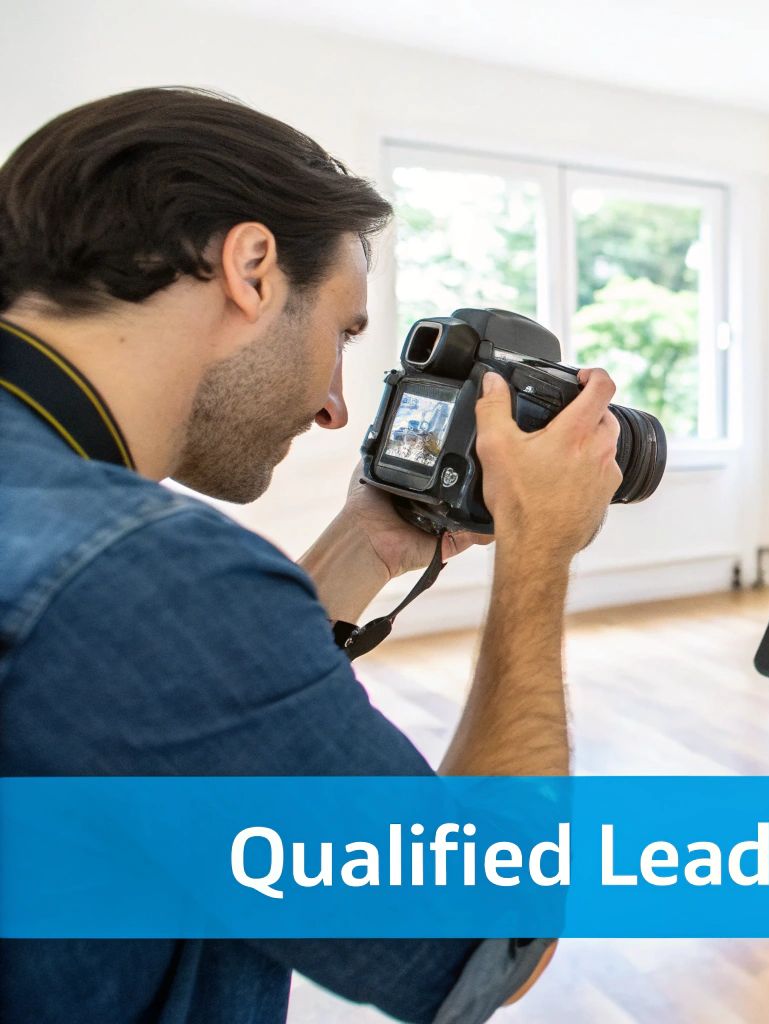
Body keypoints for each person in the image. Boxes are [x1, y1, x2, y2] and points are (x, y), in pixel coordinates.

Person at [0, 88, 624, 1023]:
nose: (336, 404)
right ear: (251, 269)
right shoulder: (139, 577)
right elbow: (479, 942)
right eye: (340, 332)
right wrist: (538, 556)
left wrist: (365, 545)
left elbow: (176, 730)